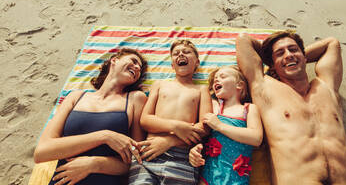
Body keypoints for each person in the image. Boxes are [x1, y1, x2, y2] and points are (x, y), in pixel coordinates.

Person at [236, 30, 346, 184]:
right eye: (280, 53)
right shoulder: (264, 88)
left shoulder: (327, 86)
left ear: (304, 56)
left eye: (293, 49)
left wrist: (297, 57)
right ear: (271, 65)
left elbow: (331, 44)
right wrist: (273, 58)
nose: (288, 55)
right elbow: (243, 40)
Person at [33, 48, 148, 185]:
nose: (136, 67)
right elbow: (42, 152)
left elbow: (137, 159)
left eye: (139, 68)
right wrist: (104, 136)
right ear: (114, 60)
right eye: (133, 61)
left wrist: (94, 164)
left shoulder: (135, 99)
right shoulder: (75, 97)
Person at [128, 39, 212, 185]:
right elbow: (145, 120)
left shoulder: (201, 90)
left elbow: (205, 127)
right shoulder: (159, 85)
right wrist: (175, 126)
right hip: (150, 152)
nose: (181, 55)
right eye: (176, 53)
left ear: (197, 62)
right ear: (172, 65)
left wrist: (170, 141)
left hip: (183, 156)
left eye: (186, 52)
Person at [189, 65, 263, 185]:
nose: (216, 80)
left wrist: (219, 126)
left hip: (237, 180)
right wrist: (194, 150)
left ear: (239, 85)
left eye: (223, 76)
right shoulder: (213, 108)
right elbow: (202, 134)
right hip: (207, 177)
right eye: (215, 80)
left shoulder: (248, 109)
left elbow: (256, 138)